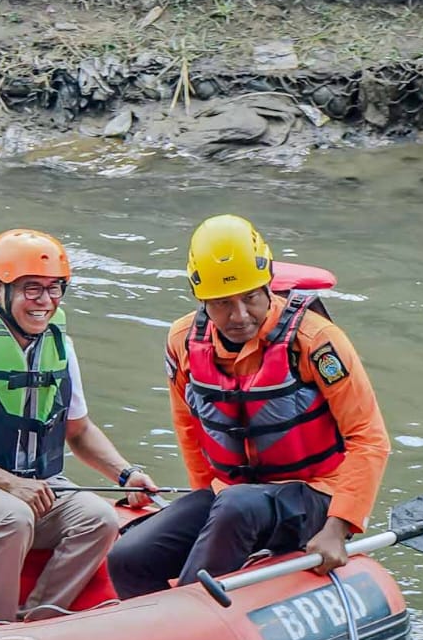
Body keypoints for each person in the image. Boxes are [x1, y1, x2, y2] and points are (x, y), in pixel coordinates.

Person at [107, 214, 391, 597]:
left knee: (238, 507)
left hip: (314, 494)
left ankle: (188, 617)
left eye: (250, 298)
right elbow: (190, 428)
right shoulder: (182, 343)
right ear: (202, 299)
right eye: (222, 303)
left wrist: (338, 527)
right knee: (129, 556)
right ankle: (165, 637)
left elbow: (368, 437)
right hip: (234, 495)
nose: (239, 316)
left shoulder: (316, 340)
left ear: (267, 286)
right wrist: (204, 507)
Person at [0, 230, 160, 621]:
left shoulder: (58, 344)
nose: (45, 301)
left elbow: (78, 429)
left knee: (99, 519)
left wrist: (125, 474)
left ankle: (39, 618)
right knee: (12, 517)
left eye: (55, 288)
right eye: (31, 289)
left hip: (31, 488)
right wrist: (10, 483)